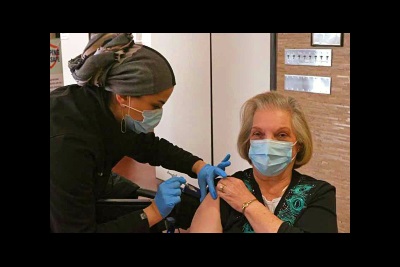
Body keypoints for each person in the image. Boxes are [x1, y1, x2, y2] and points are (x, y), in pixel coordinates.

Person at [50, 33, 230, 233]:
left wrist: (198, 166)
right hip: (62, 207)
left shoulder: (111, 108)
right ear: (123, 97)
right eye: (155, 105)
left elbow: (149, 146)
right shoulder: (68, 143)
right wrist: (152, 213)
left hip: (86, 183)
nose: (158, 113)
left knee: (132, 193)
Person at [189, 91, 338, 233]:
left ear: (298, 145)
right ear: (248, 142)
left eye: (281, 134)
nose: (268, 143)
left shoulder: (319, 193)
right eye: (258, 134)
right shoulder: (225, 190)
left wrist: (248, 204)